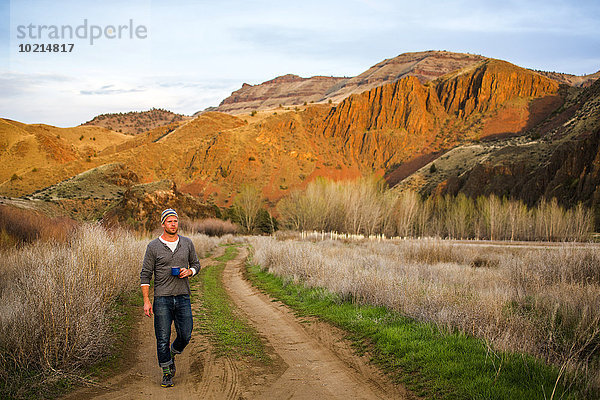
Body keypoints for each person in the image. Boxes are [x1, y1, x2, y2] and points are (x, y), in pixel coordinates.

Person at [140, 208, 201, 388]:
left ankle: (173, 352)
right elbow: (145, 275)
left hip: (183, 297)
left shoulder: (187, 243)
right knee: (162, 338)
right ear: (163, 224)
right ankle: (167, 373)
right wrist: (146, 301)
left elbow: (196, 264)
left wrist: (190, 271)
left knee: (186, 334)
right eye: (169, 221)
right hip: (162, 300)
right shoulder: (153, 246)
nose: (173, 224)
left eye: (175, 221)